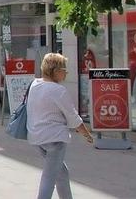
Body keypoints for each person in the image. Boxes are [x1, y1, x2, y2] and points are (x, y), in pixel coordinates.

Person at [27, 53, 94, 199]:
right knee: (49, 177)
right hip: (54, 139)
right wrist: (87, 134)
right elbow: (73, 117)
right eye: (64, 70)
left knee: (61, 172)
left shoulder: (34, 85)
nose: (66, 73)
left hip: (36, 137)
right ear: (56, 71)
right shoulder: (58, 90)